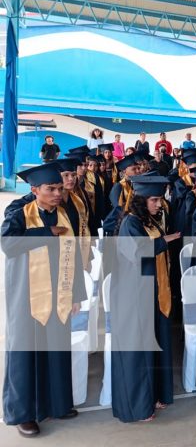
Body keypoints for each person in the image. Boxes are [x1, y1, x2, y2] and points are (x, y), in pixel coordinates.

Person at [1, 163, 86, 438]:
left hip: (58, 292)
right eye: (51, 189)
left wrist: (76, 294)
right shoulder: (18, 213)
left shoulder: (64, 213)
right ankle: (22, 414)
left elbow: (73, 255)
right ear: (34, 189)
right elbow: (8, 244)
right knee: (25, 353)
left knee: (56, 348)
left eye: (60, 188)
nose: (57, 193)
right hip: (26, 295)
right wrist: (45, 234)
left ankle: (57, 403)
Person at [110, 175, 180, 422]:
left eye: (160, 199)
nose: (159, 204)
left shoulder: (148, 220)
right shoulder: (130, 222)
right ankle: (137, 407)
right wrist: (166, 240)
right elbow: (139, 252)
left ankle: (155, 395)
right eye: (154, 199)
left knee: (157, 342)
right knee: (138, 350)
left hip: (154, 290)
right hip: (134, 293)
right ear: (140, 199)